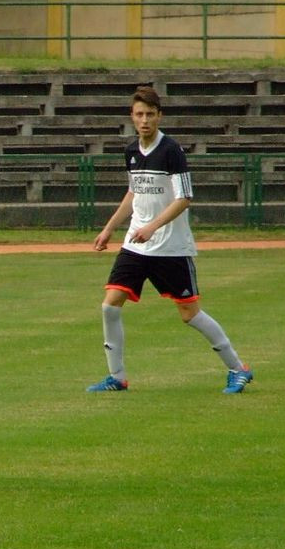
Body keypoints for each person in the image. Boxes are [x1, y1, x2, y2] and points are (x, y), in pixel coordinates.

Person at [87, 86, 253, 395]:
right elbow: (133, 193)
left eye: (150, 114)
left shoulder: (172, 150)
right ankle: (117, 377)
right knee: (110, 305)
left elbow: (184, 198)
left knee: (190, 314)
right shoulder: (131, 151)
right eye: (139, 114)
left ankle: (238, 369)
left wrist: (152, 227)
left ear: (159, 116)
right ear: (132, 117)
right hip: (136, 244)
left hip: (171, 247)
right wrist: (110, 227)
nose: (145, 120)